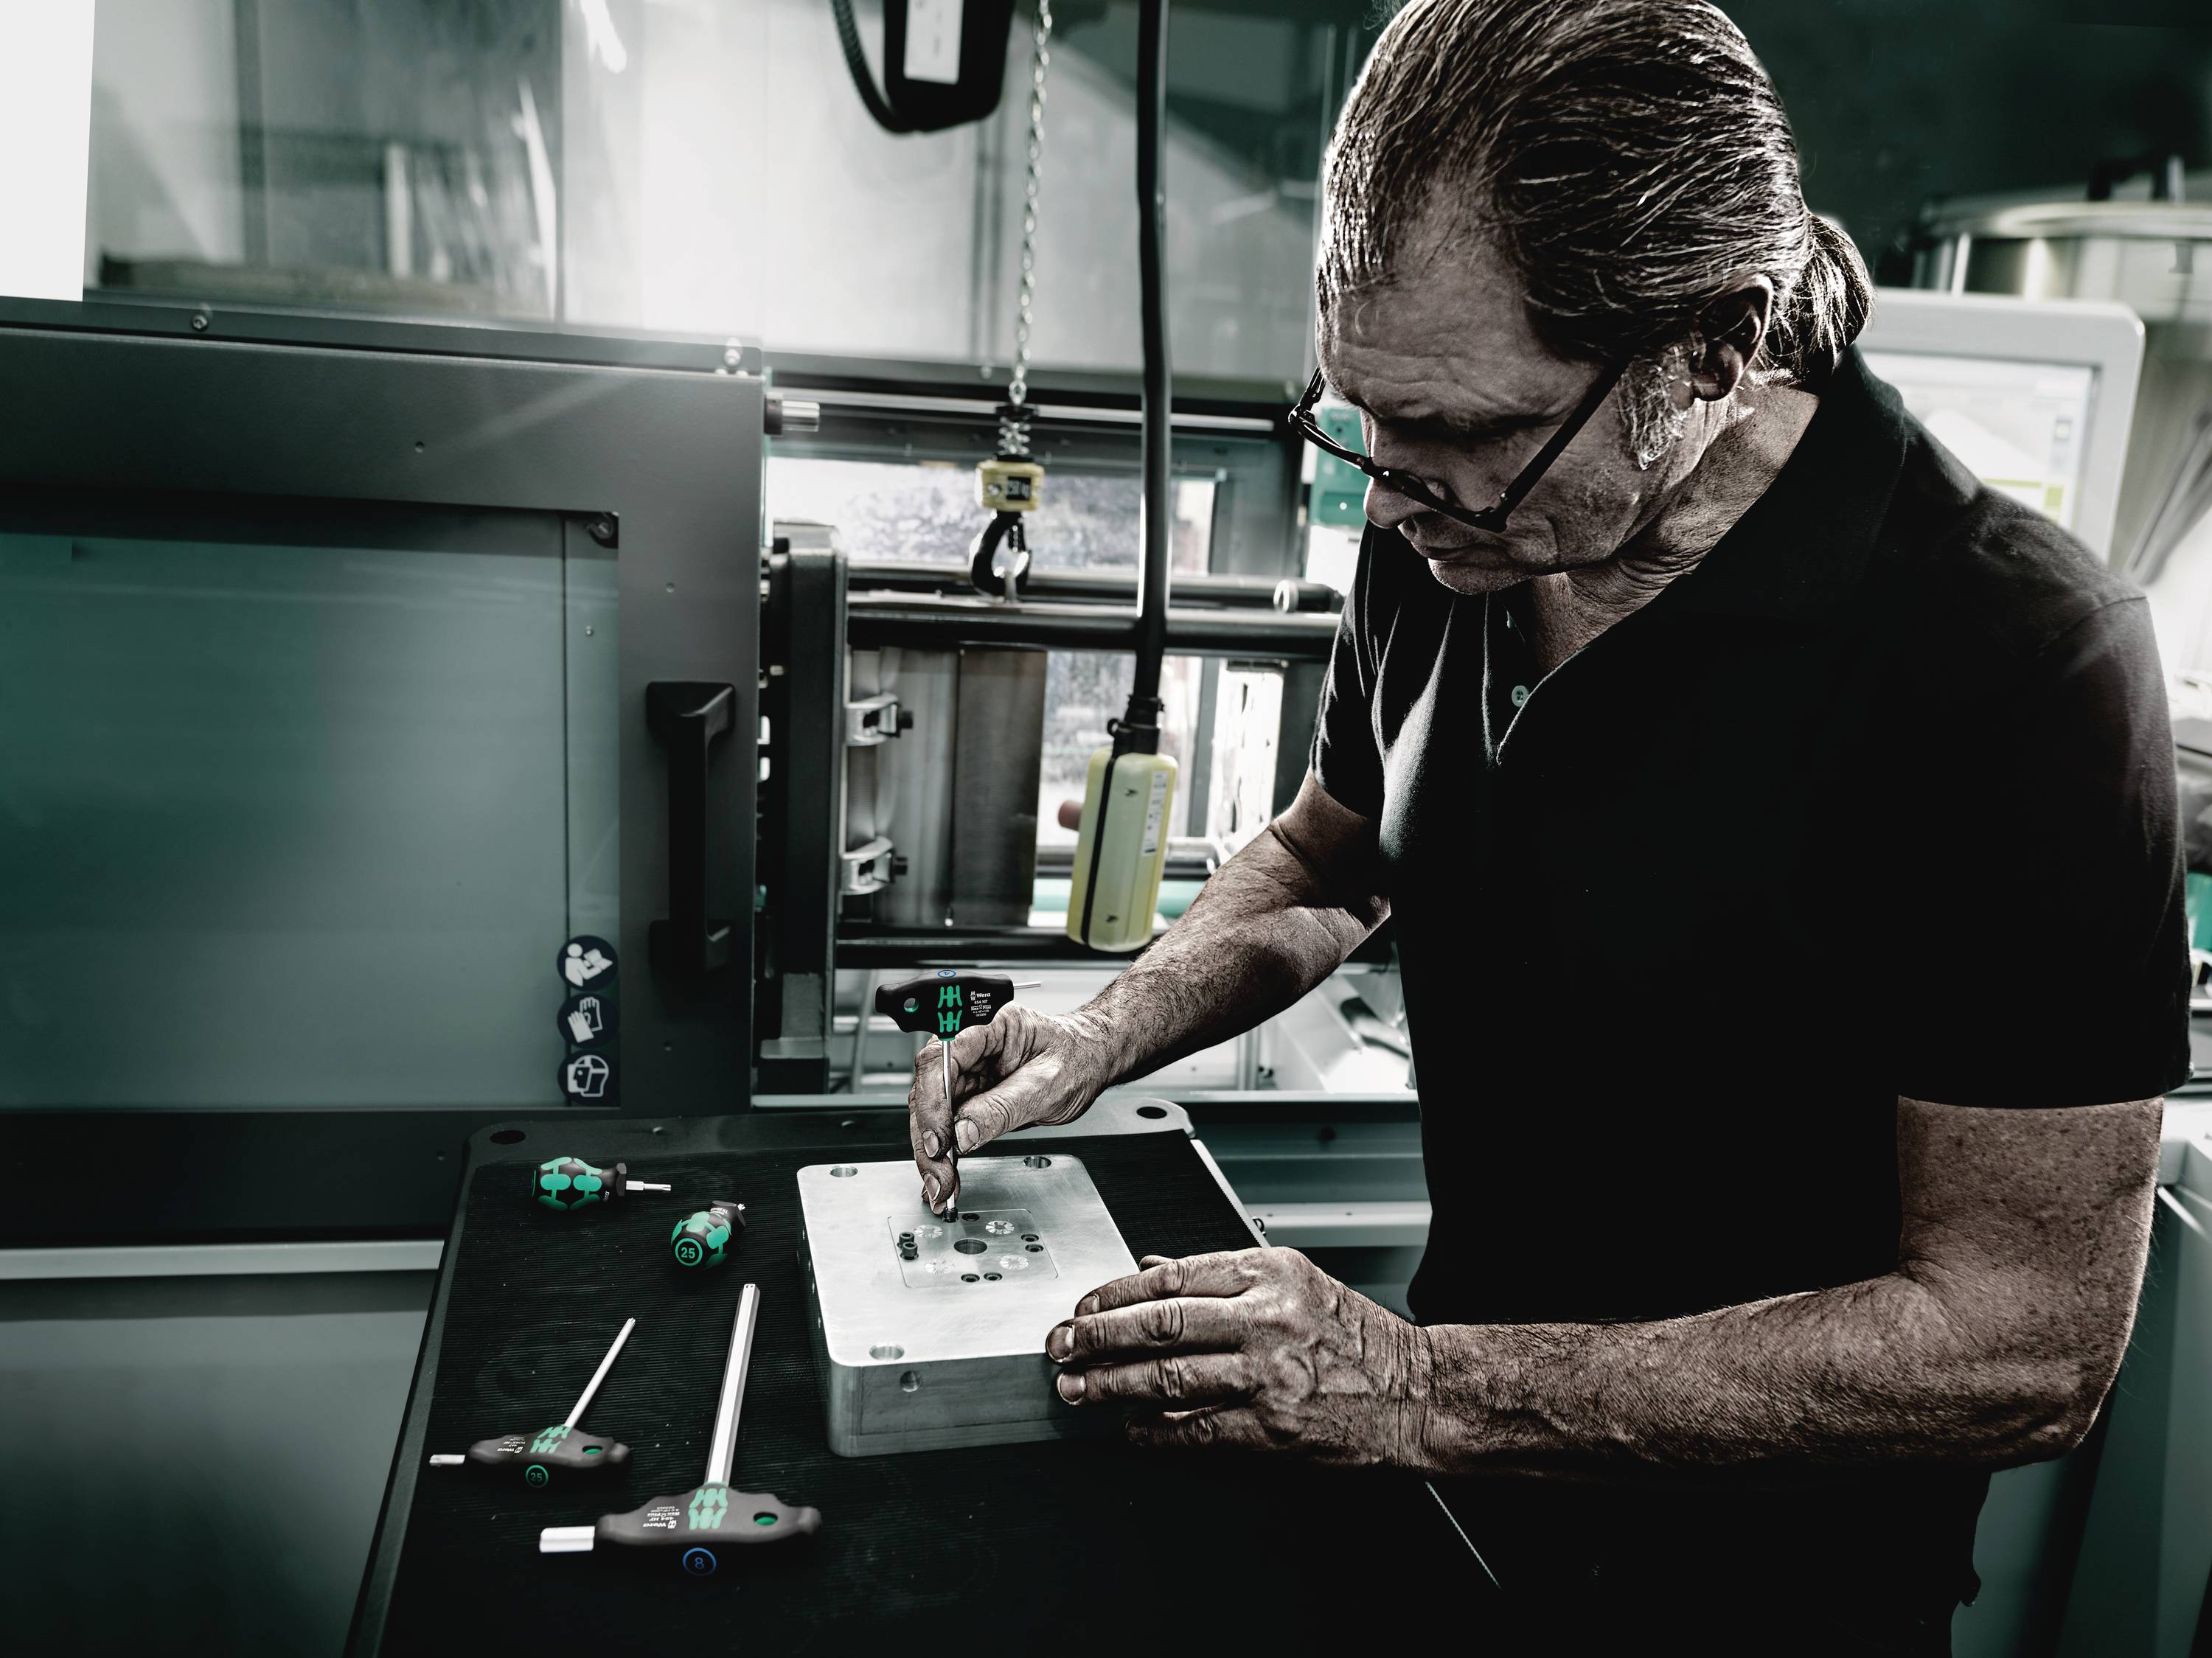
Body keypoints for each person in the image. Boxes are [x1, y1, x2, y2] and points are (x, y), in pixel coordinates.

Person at [906, 1, 2189, 1648]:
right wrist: (1109, 1030)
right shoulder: (1453, 535)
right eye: (1365, 417)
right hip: (1449, 1505)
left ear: (1712, 357)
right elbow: (1330, 857)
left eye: (1466, 434)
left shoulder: (2014, 659)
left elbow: (2024, 1340)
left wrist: (1420, 1387)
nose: (1392, 490)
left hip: (1767, 1591)